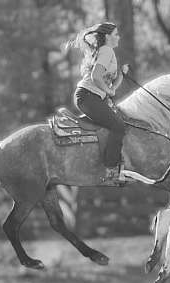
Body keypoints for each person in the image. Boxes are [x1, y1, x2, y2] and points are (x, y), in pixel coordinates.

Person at [67, 22, 130, 181]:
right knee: (118, 126)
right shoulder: (107, 51)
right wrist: (108, 91)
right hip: (88, 96)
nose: (118, 37)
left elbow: (111, 87)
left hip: (90, 96)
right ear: (107, 37)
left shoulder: (107, 52)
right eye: (116, 34)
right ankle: (110, 170)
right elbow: (96, 76)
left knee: (117, 124)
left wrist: (120, 75)